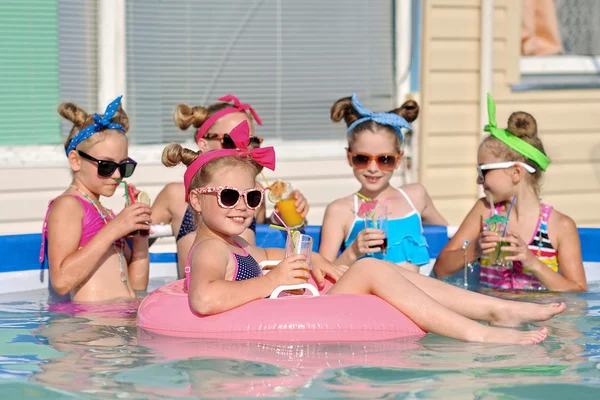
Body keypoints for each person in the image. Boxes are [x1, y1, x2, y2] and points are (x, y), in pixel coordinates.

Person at [164, 119, 565, 345]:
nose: (243, 207)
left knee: (396, 272)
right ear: (196, 201)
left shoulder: (229, 245)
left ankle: (496, 308)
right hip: (291, 323)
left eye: (252, 198)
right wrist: (272, 279)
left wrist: (314, 260)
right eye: (230, 195)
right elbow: (205, 298)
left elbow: (258, 259)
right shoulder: (208, 251)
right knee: (371, 268)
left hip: (301, 309)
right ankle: (479, 332)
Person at [433, 94, 587, 292]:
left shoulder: (560, 226)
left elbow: (578, 291)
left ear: (515, 172)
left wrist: (533, 263)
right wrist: (475, 249)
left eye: (483, 171)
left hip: (539, 317)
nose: (479, 179)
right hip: (493, 315)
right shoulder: (485, 211)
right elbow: (441, 269)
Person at [151, 95, 308, 277]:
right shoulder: (176, 194)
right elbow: (135, 243)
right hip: (197, 294)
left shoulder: (252, 192)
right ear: (203, 144)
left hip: (248, 291)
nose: (242, 150)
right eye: (232, 141)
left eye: (249, 142)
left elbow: (265, 242)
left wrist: (286, 218)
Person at [39, 96, 151, 302]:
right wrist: (115, 229)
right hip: (91, 327)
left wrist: (140, 236)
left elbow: (137, 287)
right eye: (106, 166)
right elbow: (62, 282)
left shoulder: (107, 215)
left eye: (124, 166)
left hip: (118, 321)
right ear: (75, 161)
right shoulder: (69, 205)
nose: (117, 175)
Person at [319, 93, 447, 271]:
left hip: (413, 296)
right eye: (362, 159)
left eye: (384, 160)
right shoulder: (340, 210)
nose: (373, 168)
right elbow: (321, 275)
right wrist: (353, 252)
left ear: (399, 158)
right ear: (349, 157)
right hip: (366, 298)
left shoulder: (416, 197)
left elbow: (447, 238)